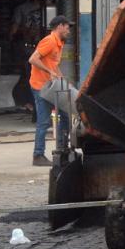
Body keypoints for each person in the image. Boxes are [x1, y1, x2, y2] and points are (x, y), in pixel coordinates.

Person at [29, 16, 73, 167]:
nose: (68, 31)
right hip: (41, 87)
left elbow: (53, 65)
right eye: (67, 27)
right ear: (60, 26)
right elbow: (33, 59)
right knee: (44, 122)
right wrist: (50, 72)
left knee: (66, 116)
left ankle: (62, 150)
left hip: (51, 86)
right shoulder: (49, 41)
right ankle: (38, 155)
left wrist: (62, 79)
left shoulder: (58, 43)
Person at [10, 0, 46, 112]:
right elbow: (13, 31)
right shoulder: (21, 9)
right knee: (30, 75)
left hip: (44, 47)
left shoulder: (46, 7)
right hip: (28, 47)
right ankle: (31, 103)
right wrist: (23, 31)